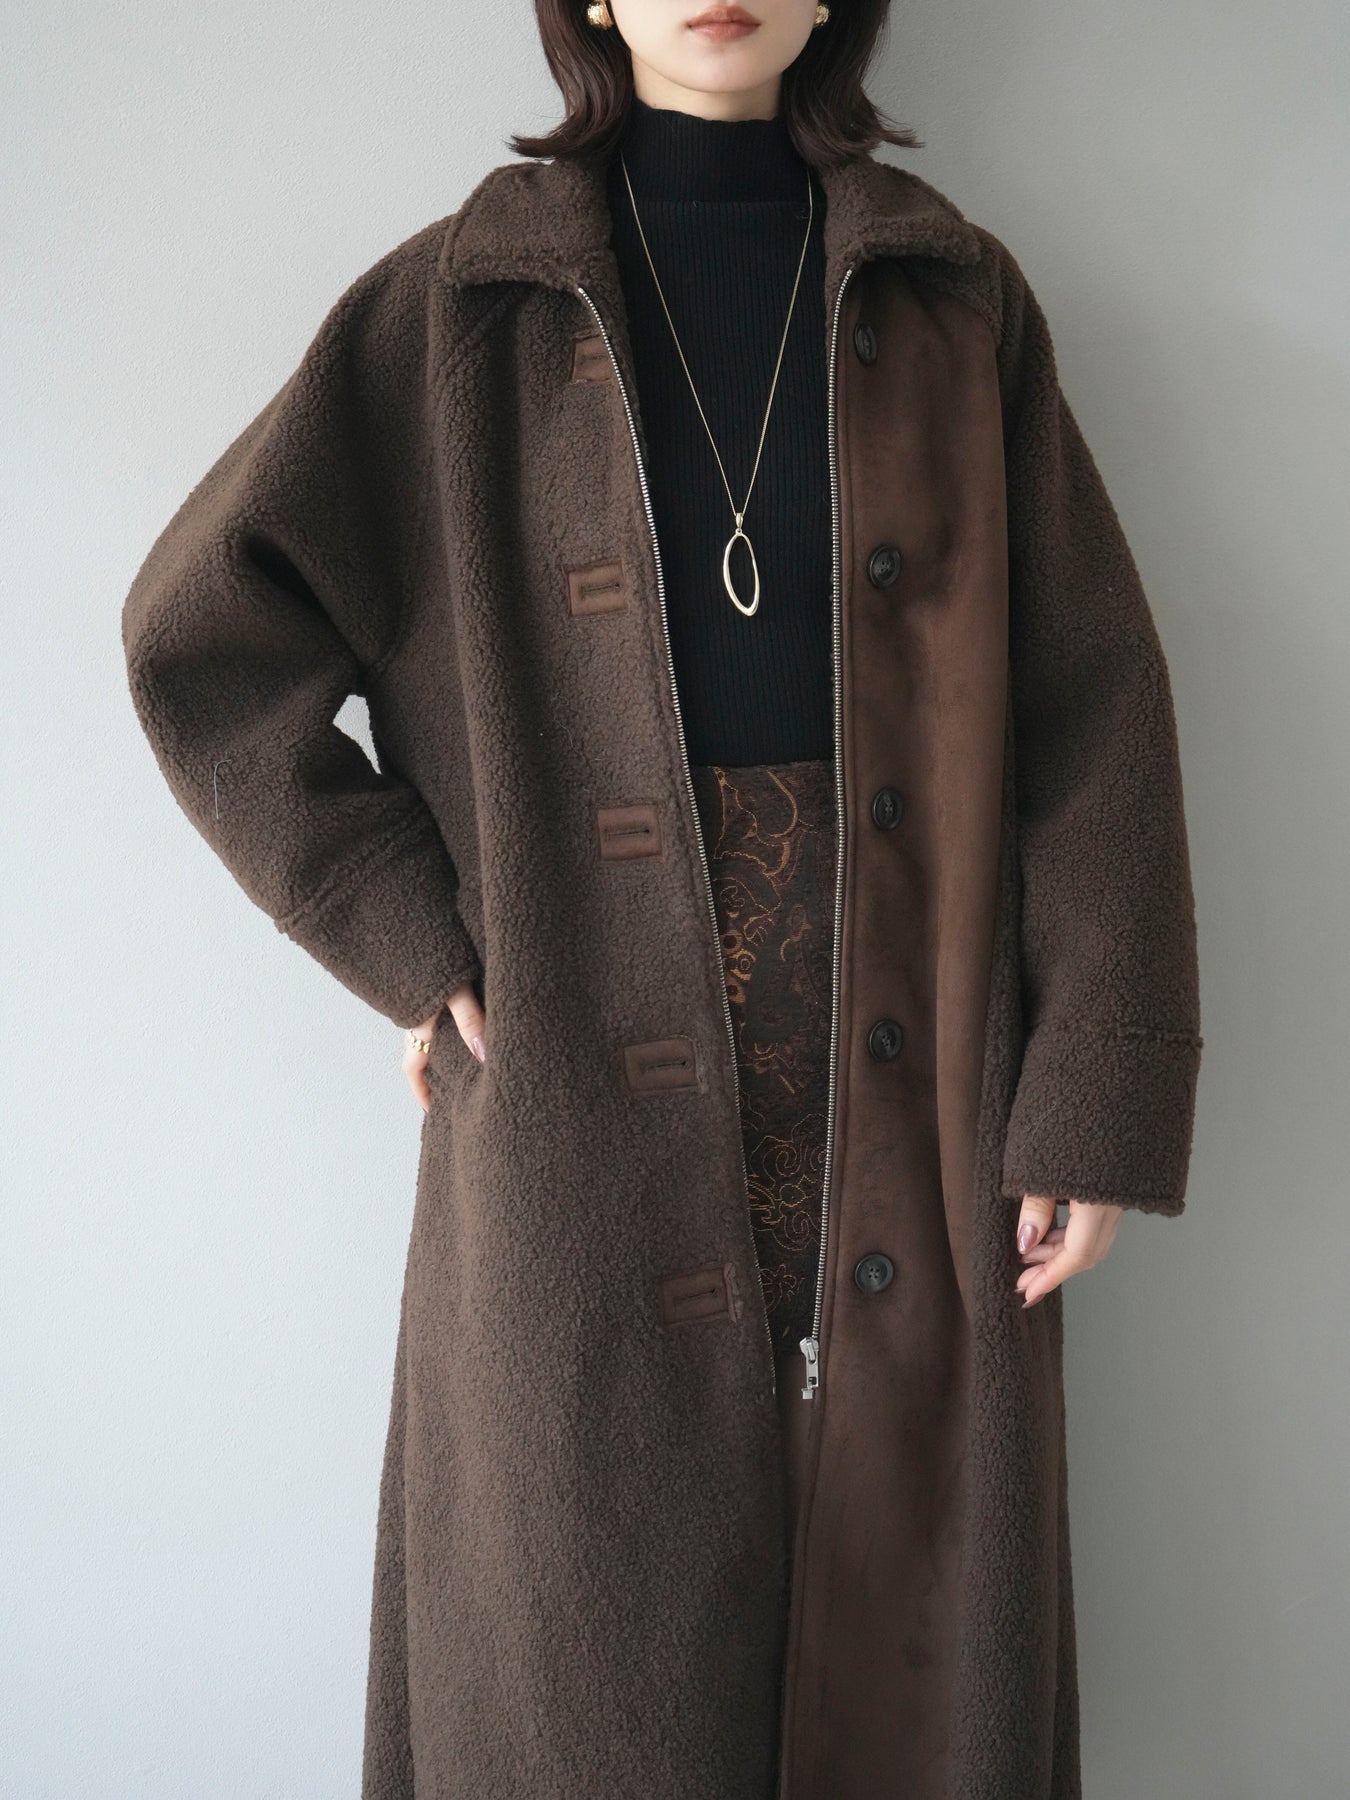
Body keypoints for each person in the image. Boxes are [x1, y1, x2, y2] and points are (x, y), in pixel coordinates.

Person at [121, 2, 1203, 1795]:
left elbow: (1089, 713)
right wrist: (399, 927)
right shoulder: (453, 310)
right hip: (570, 1075)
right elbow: (203, 640)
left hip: (915, 1055)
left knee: (913, 1630)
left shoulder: (952, 301)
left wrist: (1093, 1080)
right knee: (585, 1648)